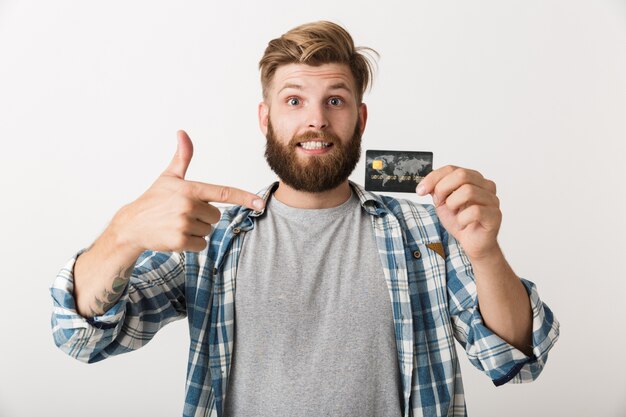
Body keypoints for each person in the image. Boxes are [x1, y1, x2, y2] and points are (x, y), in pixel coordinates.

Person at [50, 20, 559, 417]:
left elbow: (514, 360)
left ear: (359, 119)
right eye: (294, 100)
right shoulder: (210, 237)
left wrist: (485, 251)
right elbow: (81, 337)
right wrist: (124, 233)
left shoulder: (428, 231)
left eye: (334, 100)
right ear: (265, 118)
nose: (316, 119)